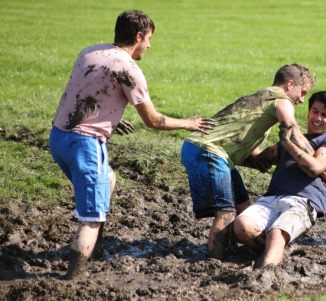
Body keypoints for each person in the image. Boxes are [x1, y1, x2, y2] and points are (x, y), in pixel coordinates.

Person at [49, 10, 214, 279]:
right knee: (91, 218)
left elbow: (85, 92)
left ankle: (97, 250)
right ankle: (70, 279)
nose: (149, 45)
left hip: (58, 138)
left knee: (108, 180)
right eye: (148, 38)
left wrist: (109, 119)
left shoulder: (90, 51)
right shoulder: (128, 68)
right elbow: (153, 120)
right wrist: (188, 123)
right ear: (138, 36)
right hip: (85, 145)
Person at [181, 64, 326, 260]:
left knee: (243, 206)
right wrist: (323, 171)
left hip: (210, 151)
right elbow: (292, 132)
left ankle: (264, 248)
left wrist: (258, 161)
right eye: (302, 92)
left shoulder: (260, 96)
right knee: (226, 214)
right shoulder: (282, 100)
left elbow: (245, 146)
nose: (301, 99)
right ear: (290, 84)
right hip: (208, 152)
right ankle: (215, 262)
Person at [232, 91, 326, 268]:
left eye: (325, 115)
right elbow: (260, 158)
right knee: (241, 226)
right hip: (271, 199)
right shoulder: (290, 139)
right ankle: (275, 252)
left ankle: (264, 274)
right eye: (314, 111)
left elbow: (314, 167)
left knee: (277, 233)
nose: (318, 118)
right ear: (308, 112)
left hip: (302, 202)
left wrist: (287, 142)